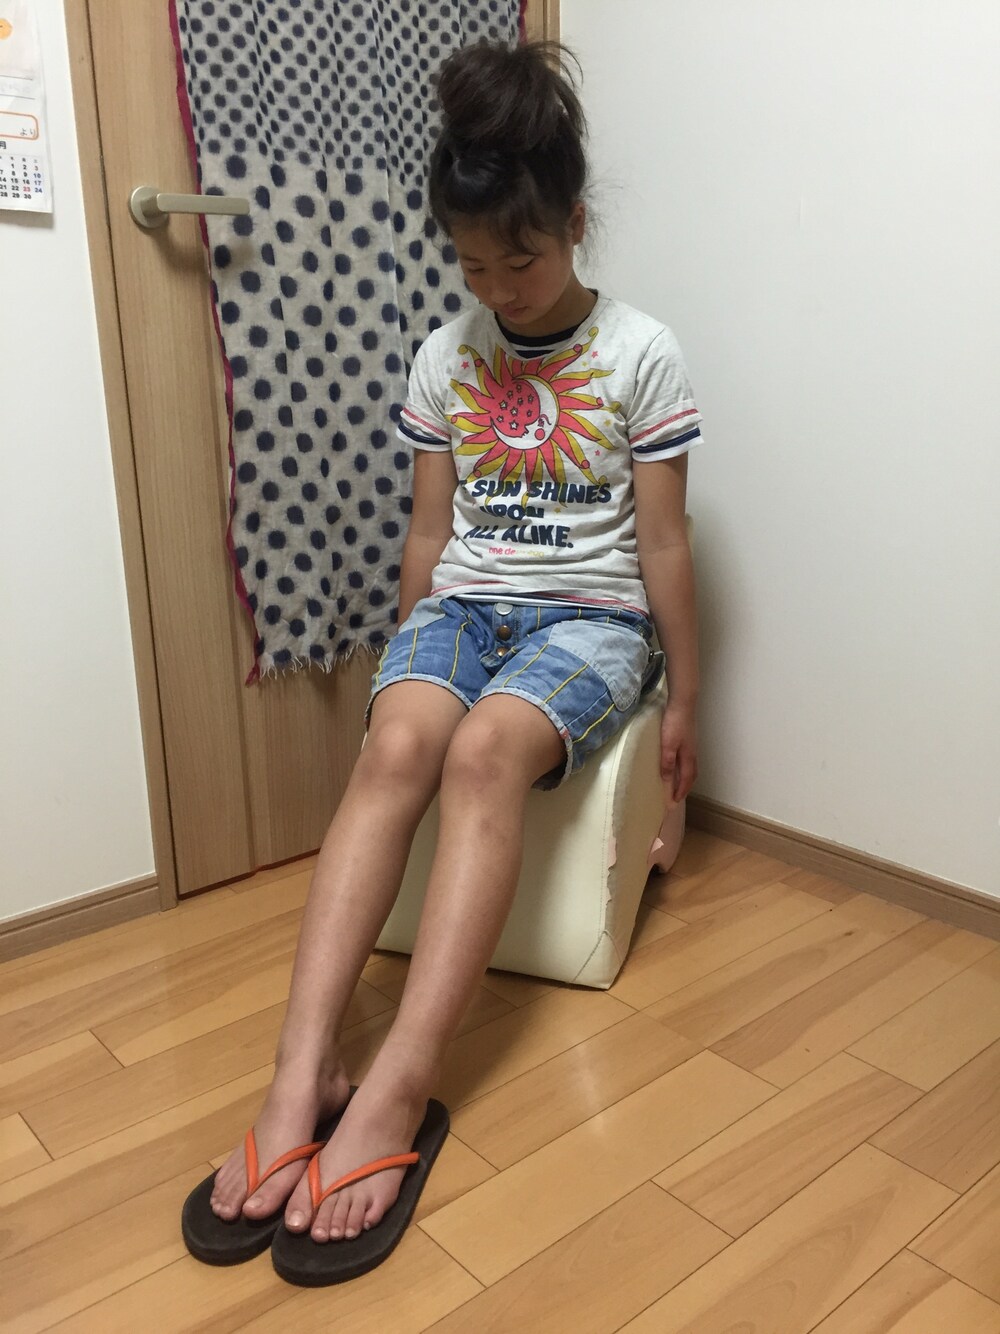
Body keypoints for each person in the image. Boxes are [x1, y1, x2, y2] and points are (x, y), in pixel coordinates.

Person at [182, 39, 701, 1285]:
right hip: (466, 606)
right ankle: (302, 1071)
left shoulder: (642, 353)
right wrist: (411, 663)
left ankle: (398, 1090)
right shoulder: (443, 353)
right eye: (471, 266)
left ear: (574, 224)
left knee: (481, 756)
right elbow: (428, 533)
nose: (498, 289)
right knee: (404, 741)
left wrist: (688, 696)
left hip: (590, 620)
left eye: (520, 261)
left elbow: (664, 545)